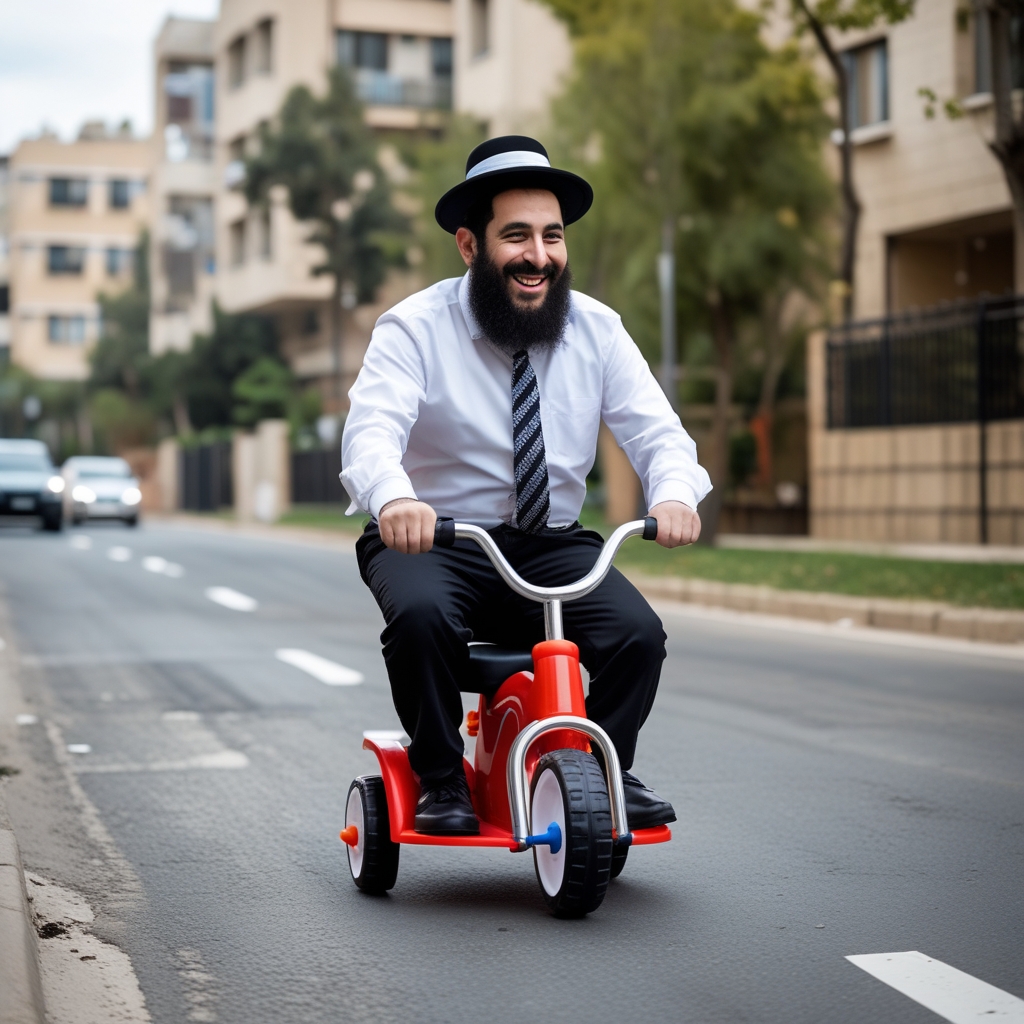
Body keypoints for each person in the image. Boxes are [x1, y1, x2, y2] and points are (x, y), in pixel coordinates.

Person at [341, 136, 711, 836]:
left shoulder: (597, 330)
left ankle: (601, 774)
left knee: (638, 634)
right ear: (469, 246)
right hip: (437, 539)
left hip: (550, 544)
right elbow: (371, 431)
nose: (538, 256)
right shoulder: (414, 328)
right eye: (516, 236)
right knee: (421, 622)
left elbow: (659, 432)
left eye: (552, 236)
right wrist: (394, 498)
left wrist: (674, 493)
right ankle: (441, 779)